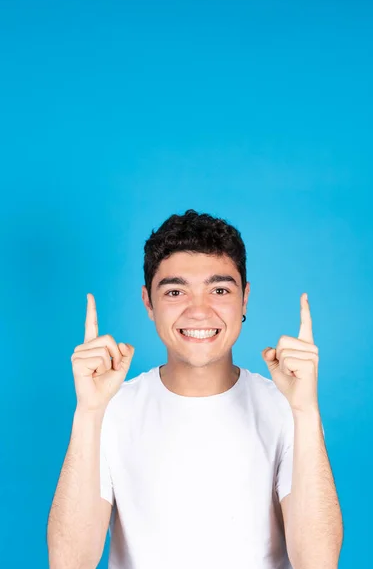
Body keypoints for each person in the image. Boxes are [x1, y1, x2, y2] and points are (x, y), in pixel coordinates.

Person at [47, 209, 343, 569]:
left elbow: (318, 563)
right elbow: (68, 563)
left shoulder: (286, 408)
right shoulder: (110, 409)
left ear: (244, 299)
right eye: (175, 291)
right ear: (148, 303)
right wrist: (89, 412)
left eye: (219, 290)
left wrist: (306, 412)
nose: (199, 311)